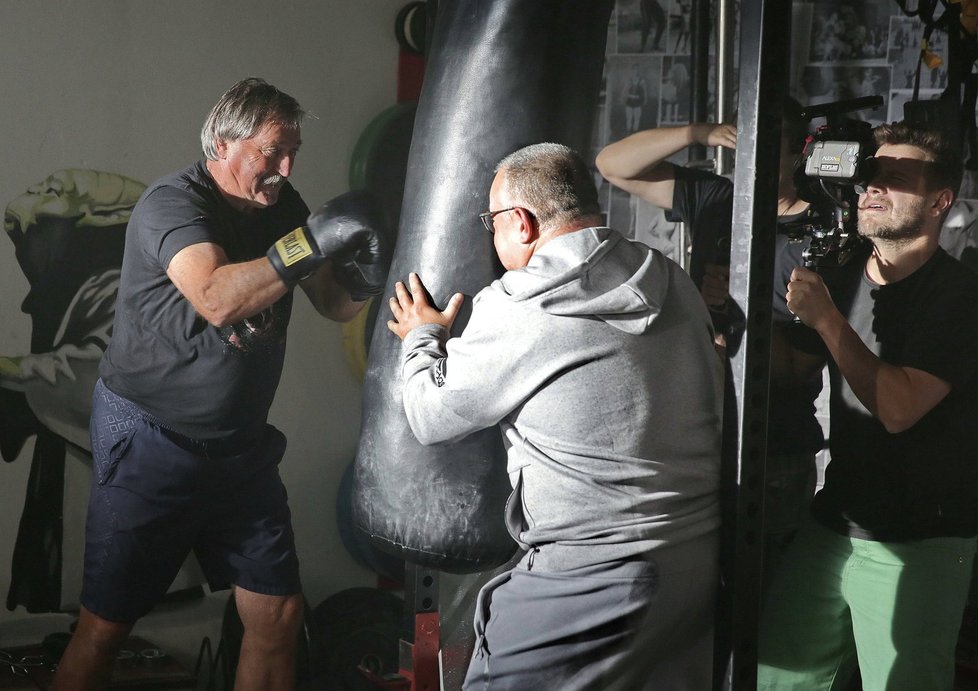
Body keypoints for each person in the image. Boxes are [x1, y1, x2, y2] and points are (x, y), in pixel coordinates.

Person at [51, 77, 390, 691]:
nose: (285, 169)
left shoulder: (281, 208)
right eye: (271, 152)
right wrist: (314, 242)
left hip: (240, 450)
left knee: (278, 615)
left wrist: (367, 271)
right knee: (105, 628)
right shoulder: (173, 205)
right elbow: (214, 297)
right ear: (223, 145)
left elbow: (334, 303)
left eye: (293, 155)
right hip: (151, 443)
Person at [387, 143, 723, 689]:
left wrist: (422, 336)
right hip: (694, 565)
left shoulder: (522, 305)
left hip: (594, 577)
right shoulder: (667, 275)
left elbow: (429, 417)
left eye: (491, 222)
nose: (490, 236)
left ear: (520, 222)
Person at [757, 121, 978, 690]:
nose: (872, 189)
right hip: (836, 518)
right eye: (870, 177)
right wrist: (733, 316)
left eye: (895, 180)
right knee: (779, 673)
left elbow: (899, 407)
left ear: (939, 202)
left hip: (921, 539)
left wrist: (827, 318)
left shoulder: (959, 297)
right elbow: (795, 370)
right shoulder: (841, 273)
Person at [595, 101, 828, 587]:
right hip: (693, 437)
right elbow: (612, 165)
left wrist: (745, 316)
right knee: (693, 590)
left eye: (769, 147)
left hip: (771, 448)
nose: (754, 159)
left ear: (798, 154)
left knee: (765, 598)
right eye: (745, 144)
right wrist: (698, 132)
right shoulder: (718, 198)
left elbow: (804, 366)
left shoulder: (822, 232)